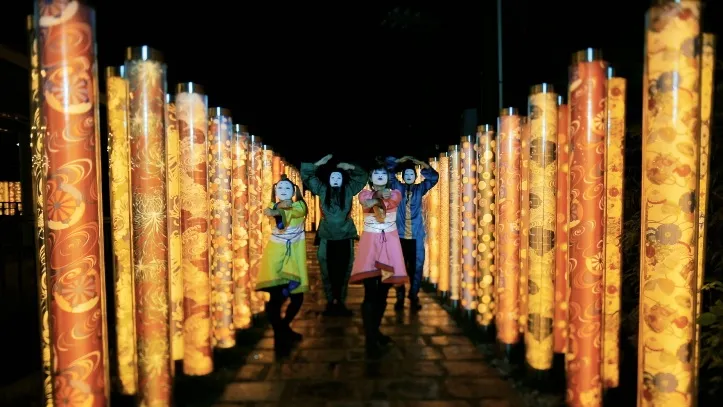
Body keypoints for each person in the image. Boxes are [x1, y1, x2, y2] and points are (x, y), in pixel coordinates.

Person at [349, 161, 409, 357]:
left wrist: (380, 198)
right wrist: (377, 197)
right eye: (376, 173)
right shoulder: (364, 194)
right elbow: (367, 203)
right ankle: (370, 339)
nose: (380, 176)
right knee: (370, 292)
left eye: (383, 173)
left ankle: (374, 332)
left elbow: (391, 202)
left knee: (383, 292)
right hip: (370, 246)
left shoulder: (395, 194)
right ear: (370, 178)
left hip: (389, 245)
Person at [301, 154, 367, 316]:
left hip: (345, 235)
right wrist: (318, 163)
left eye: (338, 177)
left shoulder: (349, 189)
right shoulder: (322, 190)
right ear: (328, 179)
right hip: (327, 236)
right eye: (333, 177)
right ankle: (330, 301)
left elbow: (362, 177)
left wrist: (349, 167)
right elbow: (307, 176)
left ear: (343, 179)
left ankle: (341, 301)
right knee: (326, 270)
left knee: (344, 270)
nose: (336, 179)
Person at [256, 175, 308, 351]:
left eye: (287, 188)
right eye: (280, 188)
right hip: (276, 254)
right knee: (275, 298)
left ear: (294, 191)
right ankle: (280, 333)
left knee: (297, 297)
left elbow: (293, 213)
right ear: (275, 191)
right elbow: (275, 217)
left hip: (294, 254)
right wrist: (275, 210)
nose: (283, 191)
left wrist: (277, 211)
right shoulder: (272, 206)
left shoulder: (300, 206)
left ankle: (284, 327)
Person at [385, 156, 439, 312]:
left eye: (411, 174)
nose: (409, 176)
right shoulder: (398, 188)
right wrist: (398, 162)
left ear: (415, 177)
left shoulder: (419, 189)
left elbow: (434, 178)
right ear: (403, 176)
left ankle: (413, 296)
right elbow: (389, 175)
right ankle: (400, 296)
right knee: (399, 268)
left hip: (416, 236)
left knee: (417, 268)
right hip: (400, 237)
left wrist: (421, 164)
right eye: (406, 174)